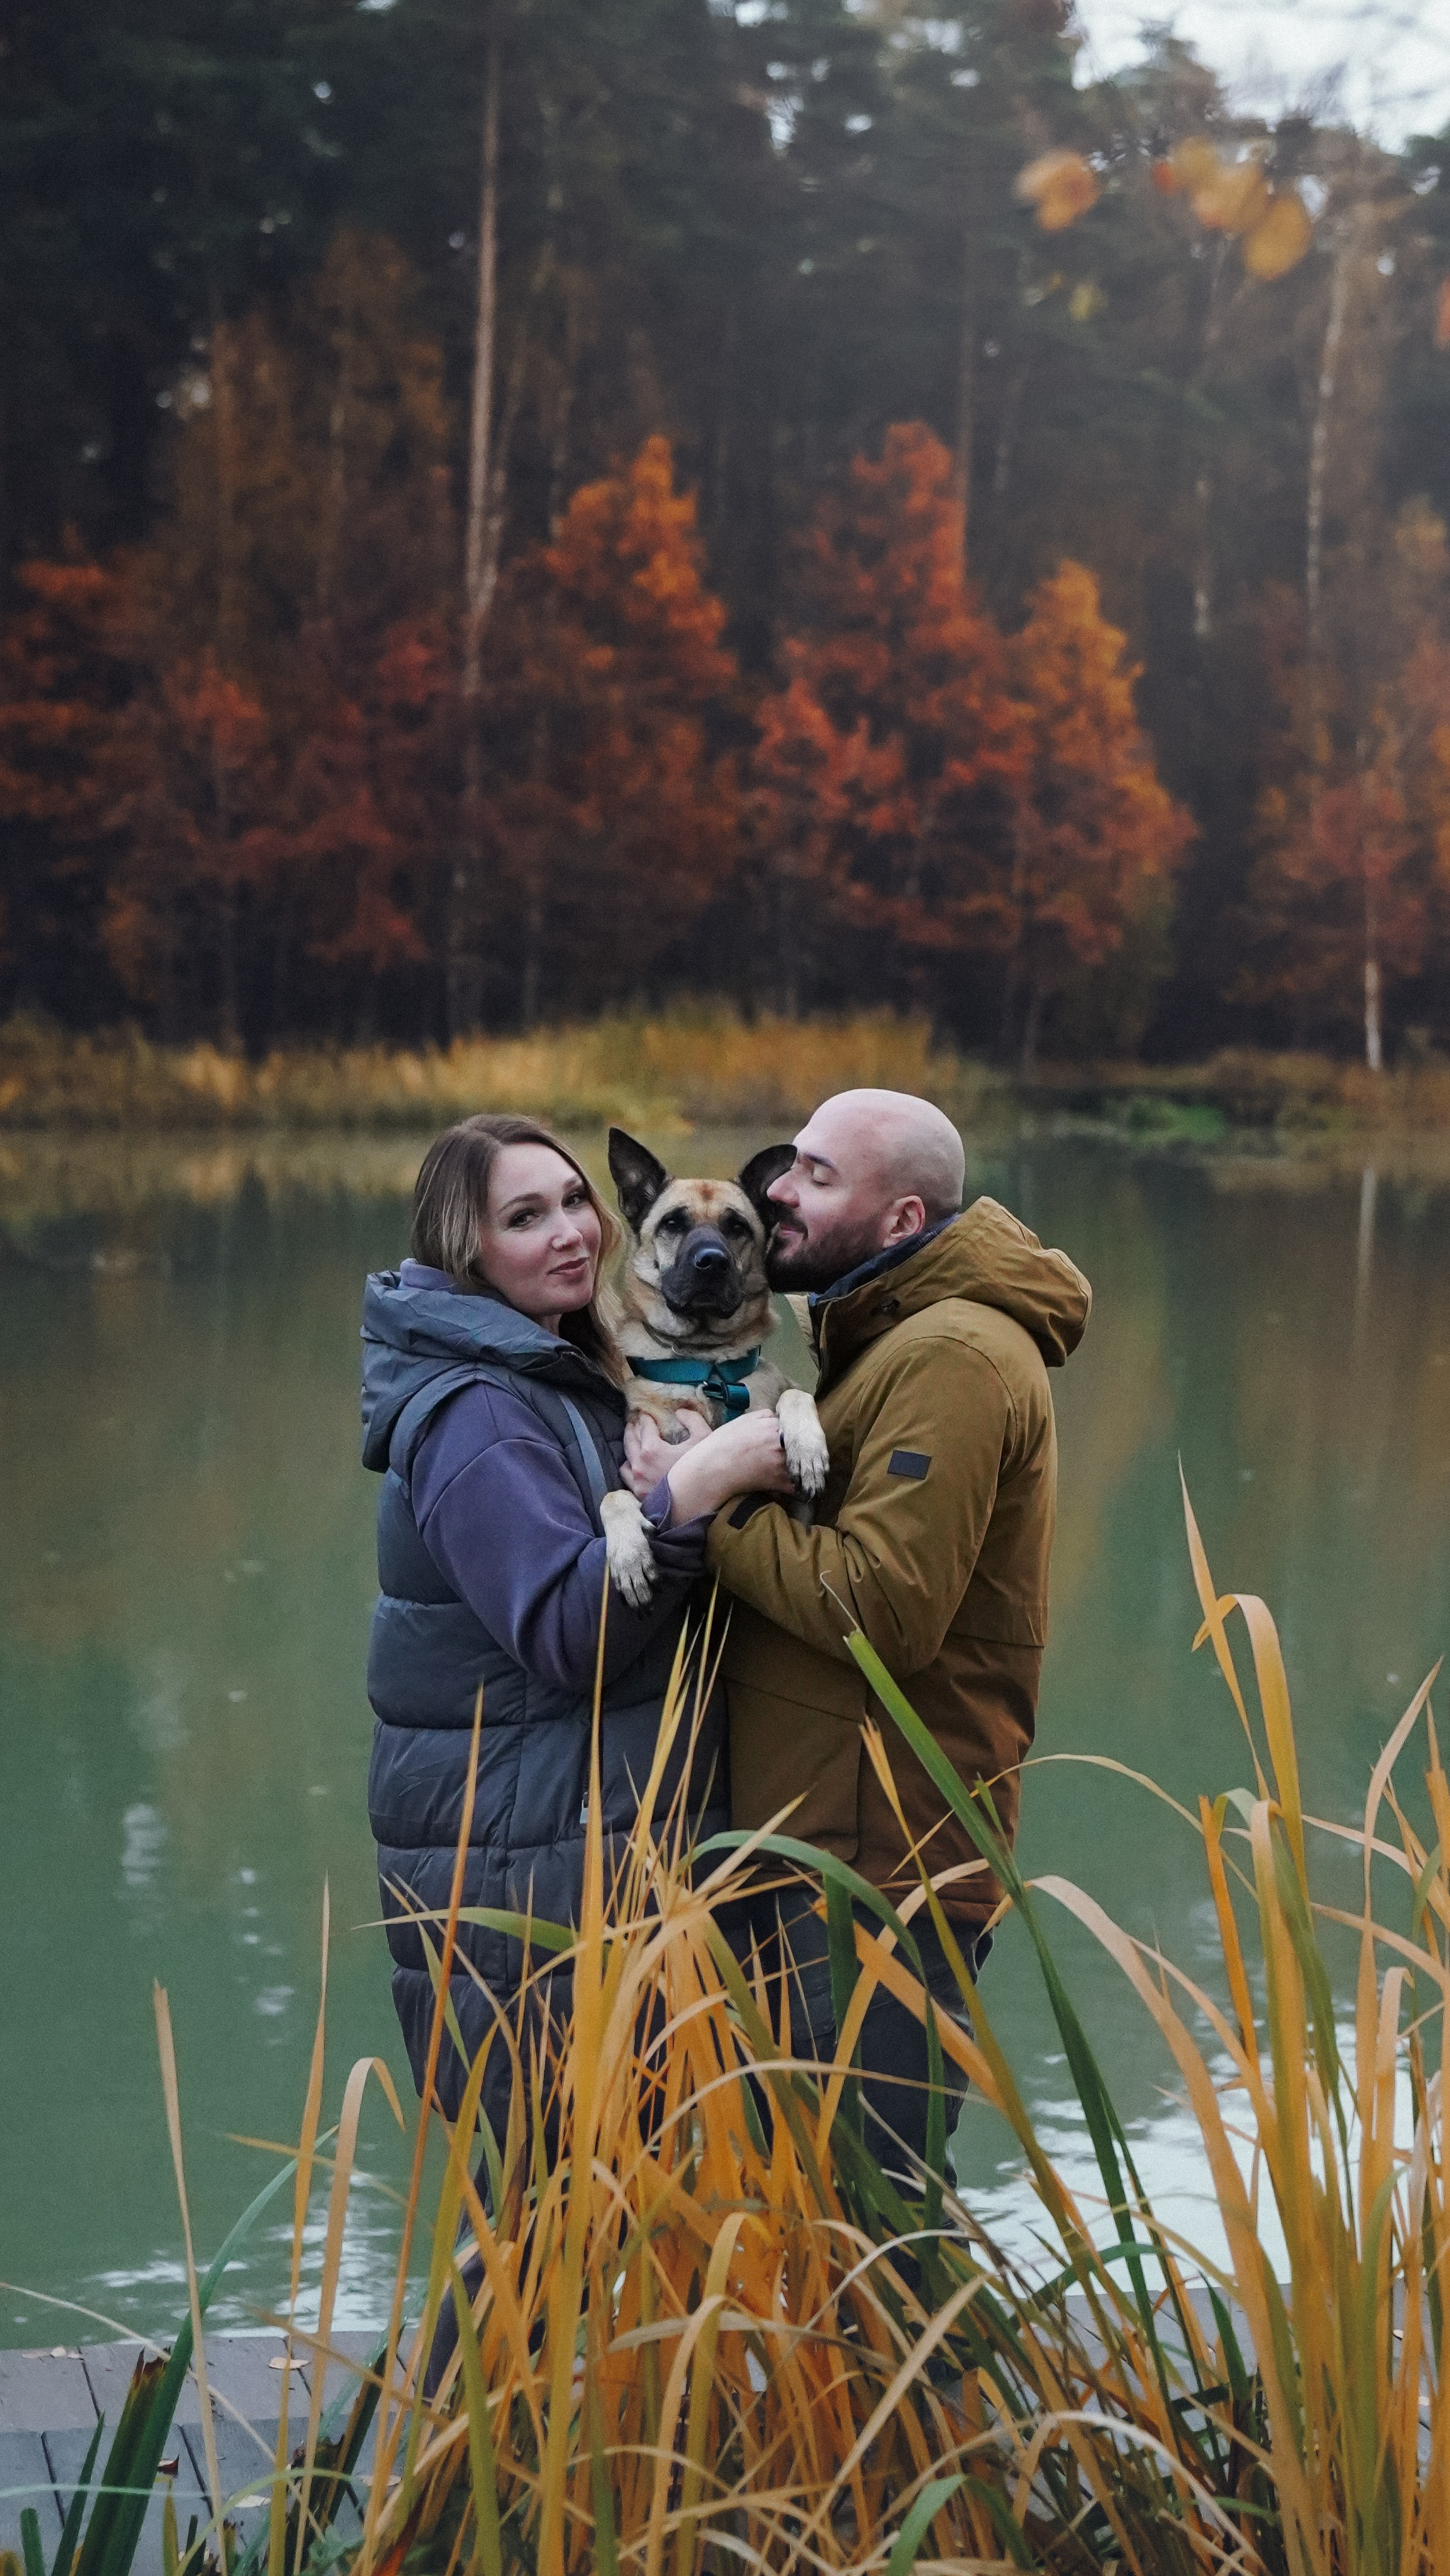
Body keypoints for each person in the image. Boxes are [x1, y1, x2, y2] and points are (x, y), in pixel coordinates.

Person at [624, 1087, 1091, 2184]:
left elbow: (883, 1606)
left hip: (881, 1874)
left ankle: (932, 2369)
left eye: (816, 1175)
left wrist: (709, 1504)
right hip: (821, 1851)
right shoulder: (878, 1341)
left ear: (899, 1220)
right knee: (817, 2215)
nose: (777, 1190)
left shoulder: (953, 1359)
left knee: (876, 2225)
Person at [360, 1113, 792, 2154]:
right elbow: (569, 1632)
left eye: (571, 1204)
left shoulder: (558, 1374)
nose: (569, 1233)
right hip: (527, 1880)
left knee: (605, 2222)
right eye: (524, 1217)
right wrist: (698, 1489)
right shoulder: (477, 1413)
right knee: (559, 2223)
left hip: (579, 1846)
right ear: (467, 1250)